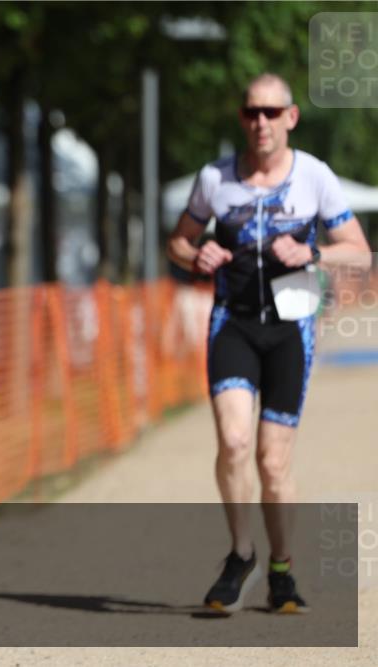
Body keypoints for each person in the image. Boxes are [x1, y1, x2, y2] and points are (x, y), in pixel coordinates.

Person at [167, 73, 371, 614]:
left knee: (272, 462)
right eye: (252, 112)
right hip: (233, 321)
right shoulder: (216, 179)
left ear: (291, 117)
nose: (261, 122)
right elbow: (180, 241)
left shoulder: (314, 177)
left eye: (272, 113)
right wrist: (196, 255)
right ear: (243, 118)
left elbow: (359, 250)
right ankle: (241, 555)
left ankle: (282, 568)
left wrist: (315, 256)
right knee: (233, 443)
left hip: (291, 326)